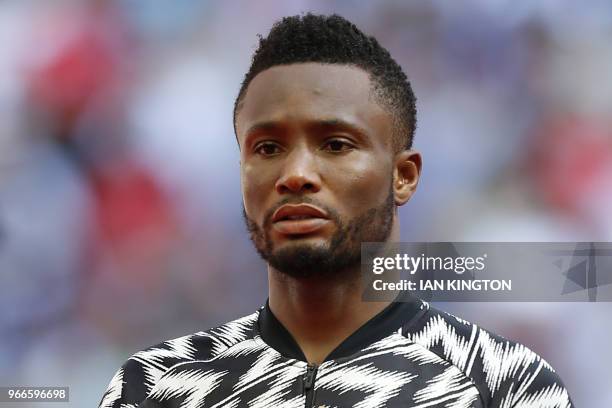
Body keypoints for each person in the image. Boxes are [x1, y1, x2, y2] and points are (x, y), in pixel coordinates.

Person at [98, 14, 573, 408]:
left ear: (404, 176)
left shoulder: (505, 385)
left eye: (335, 144)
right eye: (267, 147)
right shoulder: (156, 386)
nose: (296, 173)